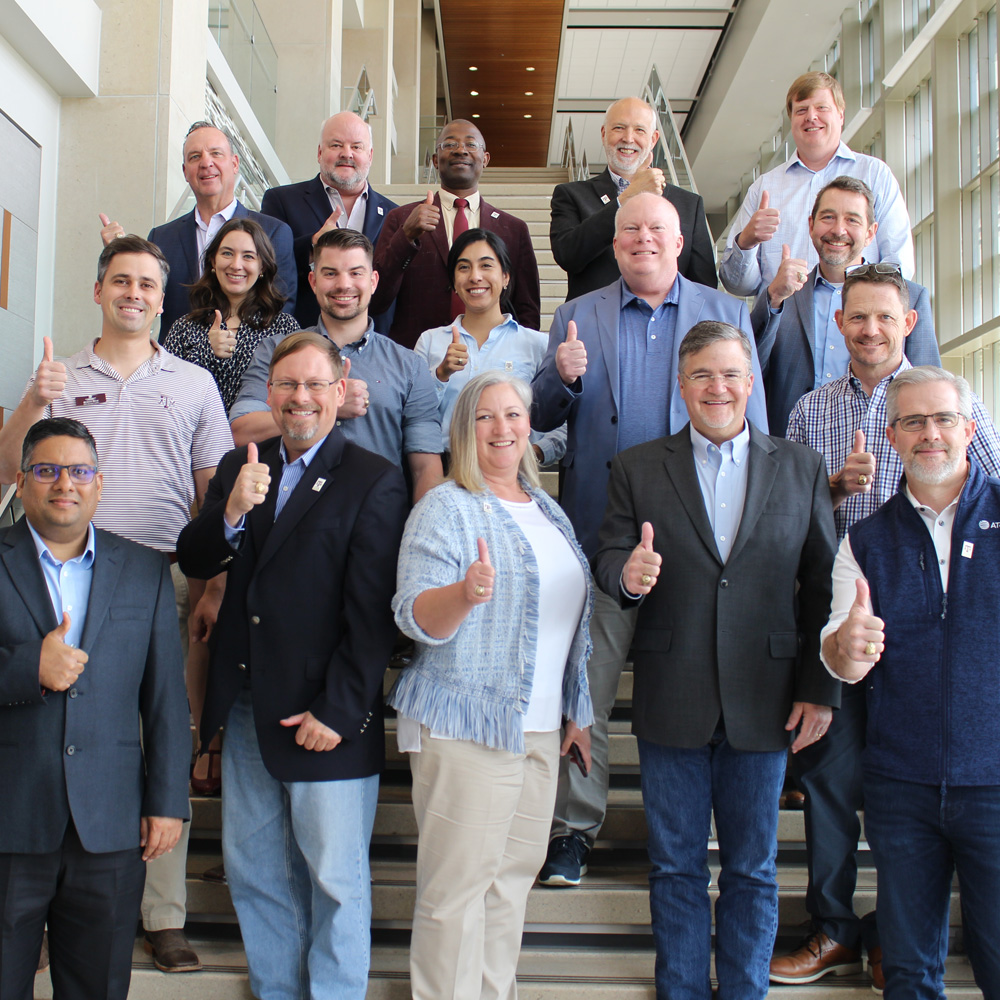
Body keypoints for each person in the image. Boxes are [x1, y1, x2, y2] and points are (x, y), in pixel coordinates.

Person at [0, 236, 234, 973]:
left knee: (161, 732)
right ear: (98, 289)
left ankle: (163, 913)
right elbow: (11, 468)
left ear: (164, 299)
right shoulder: (60, 374)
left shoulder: (194, 382)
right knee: (48, 728)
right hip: (54, 578)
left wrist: (213, 583)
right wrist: (34, 399)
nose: (134, 293)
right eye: (121, 280)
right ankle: (39, 899)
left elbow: (211, 492)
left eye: (147, 284)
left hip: (156, 578)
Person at [593, 321, 840, 1000]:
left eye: (730, 373)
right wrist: (627, 575)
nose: (717, 388)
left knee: (753, 870)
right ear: (681, 385)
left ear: (751, 381)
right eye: (702, 374)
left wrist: (819, 689)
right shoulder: (638, 466)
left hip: (768, 696)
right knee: (675, 866)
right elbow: (609, 555)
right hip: (673, 693)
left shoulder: (801, 467)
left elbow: (823, 584)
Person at [531, 192, 767, 887]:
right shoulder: (577, 314)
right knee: (586, 685)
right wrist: (560, 376)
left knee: (705, 686)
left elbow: (755, 427)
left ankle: (706, 827)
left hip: (703, 539)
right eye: (630, 228)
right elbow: (544, 414)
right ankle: (574, 828)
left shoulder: (725, 313)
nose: (643, 239)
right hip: (602, 533)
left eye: (656, 228)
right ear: (614, 243)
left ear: (680, 238)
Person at [774, 266, 1000, 989]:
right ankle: (838, 927)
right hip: (847, 614)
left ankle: (892, 935)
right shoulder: (811, 410)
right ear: (838, 323)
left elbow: (981, 495)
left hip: (949, 647)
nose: (870, 329)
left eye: (884, 317)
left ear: (908, 322)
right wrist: (834, 486)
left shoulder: (947, 402)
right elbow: (790, 518)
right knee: (835, 783)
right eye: (856, 316)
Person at [177, 331, 409, 1000]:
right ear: (269, 393)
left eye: (314, 384)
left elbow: (373, 615)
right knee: (256, 873)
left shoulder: (373, 479)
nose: (299, 397)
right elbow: (196, 557)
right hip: (248, 706)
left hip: (325, 716)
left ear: (340, 391)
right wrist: (230, 510)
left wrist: (338, 710)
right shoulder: (238, 466)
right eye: (286, 384)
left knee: (335, 880)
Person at [388, 371, 593, 999]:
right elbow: (413, 615)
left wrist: (577, 712)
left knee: (509, 888)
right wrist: (464, 593)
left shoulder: (548, 508)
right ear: (462, 430)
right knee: (455, 894)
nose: (501, 428)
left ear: (530, 426)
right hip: (467, 724)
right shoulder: (444, 507)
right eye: (484, 417)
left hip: (539, 729)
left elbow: (567, 624)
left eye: (512, 415)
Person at [822, 366, 1000, 1000]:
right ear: (892, 436)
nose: (931, 434)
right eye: (914, 422)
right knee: (908, 974)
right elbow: (841, 658)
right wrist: (846, 647)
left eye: (944, 419)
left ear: (969, 429)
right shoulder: (865, 540)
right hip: (901, 788)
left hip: (995, 783)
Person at [0, 417, 190, 1000]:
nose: (65, 484)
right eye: (47, 470)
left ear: (99, 484)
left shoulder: (145, 570)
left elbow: (166, 698)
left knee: (98, 987)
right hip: (9, 817)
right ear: (21, 481)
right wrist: (28, 668)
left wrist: (167, 802)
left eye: (79, 471)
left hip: (110, 824)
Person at [229, 228, 443, 503]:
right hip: (287, 513)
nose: (344, 285)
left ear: (373, 281)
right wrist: (331, 405)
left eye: (355, 273)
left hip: (377, 514)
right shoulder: (275, 351)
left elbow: (425, 469)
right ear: (313, 281)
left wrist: (420, 528)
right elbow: (241, 431)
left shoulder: (409, 366)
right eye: (330, 273)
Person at [751, 176, 939, 437]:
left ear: (871, 232)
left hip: (882, 445)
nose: (838, 230)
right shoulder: (783, 293)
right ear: (811, 225)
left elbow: (931, 387)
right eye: (828, 217)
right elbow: (750, 370)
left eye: (852, 220)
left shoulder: (909, 297)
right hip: (793, 444)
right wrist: (773, 298)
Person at [719, 72, 913, 297]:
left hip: (857, 315)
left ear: (841, 115)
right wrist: (746, 242)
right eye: (801, 110)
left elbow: (898, 263)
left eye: (822, 108)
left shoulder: (875, 175)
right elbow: (738, 286)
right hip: (784, 317)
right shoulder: (764, 188)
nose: (811, 117)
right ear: (792, 120)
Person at [101, 121, 296, 337]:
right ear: (185, 171)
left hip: (250, 358)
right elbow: (144, 299)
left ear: (235, 164)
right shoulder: (162, 237)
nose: (206, 163)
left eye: (215, 153)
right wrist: (120, 256)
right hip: (176, 356)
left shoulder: (274, 232)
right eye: (195, 157)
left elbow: (281, 310)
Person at [371, 119, 541, 348]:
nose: (460, 150)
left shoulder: (513, 229)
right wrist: (406, 237)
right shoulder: (402, 219)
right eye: (450, 144)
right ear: (435, 160)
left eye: (471, 144)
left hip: (492, 357)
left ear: (485, 159)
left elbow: (528, 309)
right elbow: (377, 298)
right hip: (418, 356)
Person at [414, 227, 565, 464]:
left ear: (505, 277)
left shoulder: (536, 345)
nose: (475, 276)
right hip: (445, 469)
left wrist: (536, 453)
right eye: (464, 267)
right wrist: (441, 375)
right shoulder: (430, 341)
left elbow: (563, 418)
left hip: (512, 468)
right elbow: (414, 417)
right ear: (454, 281)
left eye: (486, 265)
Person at [550, 96, 717, 301]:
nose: (628, 138)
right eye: (619, 128)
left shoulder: (689, 204)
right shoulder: (571, 194)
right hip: (598, 318)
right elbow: (567, 255)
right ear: (604, 134)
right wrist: (628, 196)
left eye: (639, 130)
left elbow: (704, 287)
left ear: (653, 139)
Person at [260, 111, 398, 330]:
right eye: (336, 145)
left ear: (370, 155)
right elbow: (266, 266)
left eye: (356, 147)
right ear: (319, 152)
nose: (347, 154)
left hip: (374, 340)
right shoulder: (281, 201)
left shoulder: (394, 215)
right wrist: (312, 245)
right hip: (303, 336)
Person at [163, 217, 298, 411]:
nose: (236, 265)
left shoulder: (284, 328)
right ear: (213, 261)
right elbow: (166, 395)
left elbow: (295, 391)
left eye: (248, 256)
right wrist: (207, 352)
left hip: (259, 429)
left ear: (262, 266)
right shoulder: (184, 328)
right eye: (227, 253)